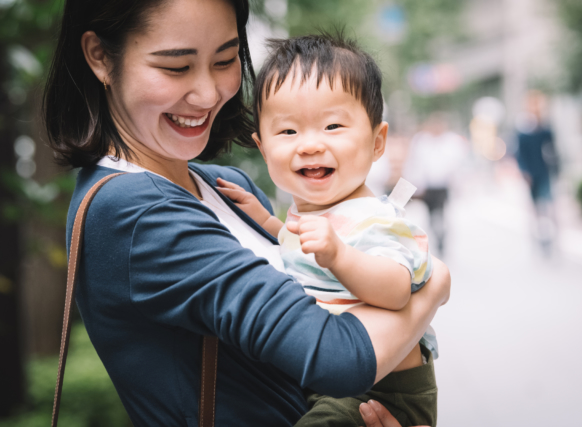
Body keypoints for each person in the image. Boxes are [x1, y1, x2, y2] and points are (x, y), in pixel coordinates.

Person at [44, 0, 451, 426]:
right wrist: (432, 283)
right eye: (176, 67)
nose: (207, 93)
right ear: (100, 57)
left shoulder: (225, 186)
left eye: (224, 60)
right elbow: (338, 358)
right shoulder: (133, 212)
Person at [216, 34, 439, 427]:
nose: (310, 145)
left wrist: (340, 256)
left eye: (333, 126)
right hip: (340, 378)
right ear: (263, 148)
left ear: (377, 141)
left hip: (385, 392)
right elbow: (296, 243)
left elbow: (396, 289)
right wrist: (263, 219)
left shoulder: (376, 218)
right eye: (287, 132)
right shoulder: (316, 213)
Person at [404, 113, 467, 255]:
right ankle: (437, 234)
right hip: (427, 187)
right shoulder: (421, 141)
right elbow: (415, 164)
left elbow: (456, 165)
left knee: (440, 214)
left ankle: (441, 236)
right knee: (431, 215)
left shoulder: (451, 142)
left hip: (443, 186)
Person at [515, 90, 559, 252]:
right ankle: (538, 235)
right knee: (536, 207)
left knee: (548, 205)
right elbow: (520, 154)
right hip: (531, 175)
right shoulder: (523, 130)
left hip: (545, 172)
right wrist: (524, 171)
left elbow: (553, 150)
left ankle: (550, 235)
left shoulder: (544, 129)